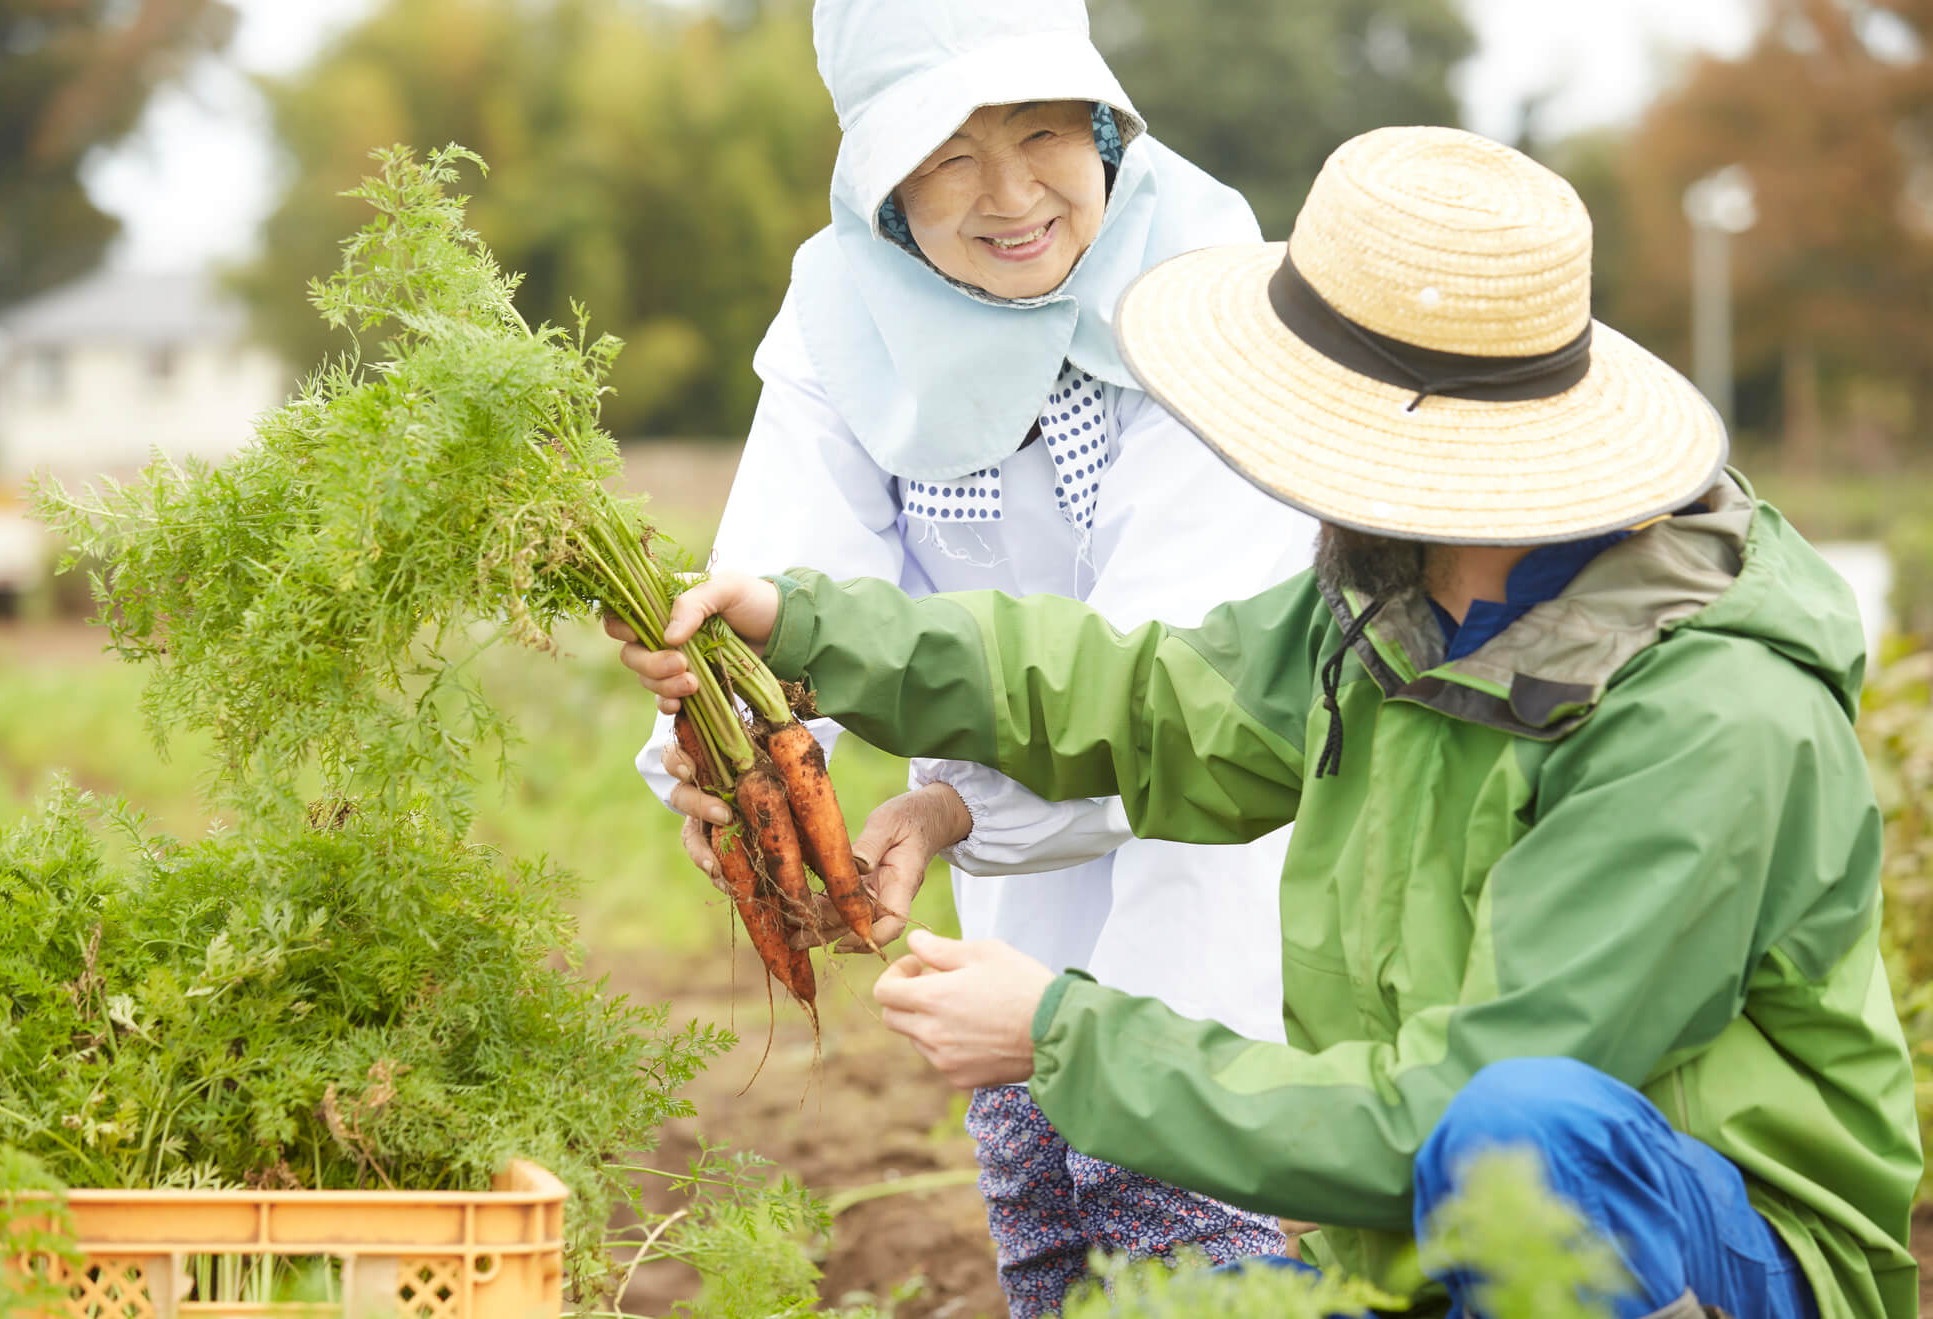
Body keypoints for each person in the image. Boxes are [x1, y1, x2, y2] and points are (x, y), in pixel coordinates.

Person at [615, 127, 1923, 1319]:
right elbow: (1143, 698)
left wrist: (1063, 1034)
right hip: (1440, 1231)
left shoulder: (1706, 717)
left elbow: (1455, 1105)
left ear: (1413, 441)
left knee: (1526, 1128)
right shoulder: (1398, 600)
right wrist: (813, 632)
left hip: (1721, 1250)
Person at [629, 0, 1313, 1308]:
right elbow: (789, 587)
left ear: (1109, 121)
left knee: (1202, 1208)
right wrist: (732, 780)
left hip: (1238, 842)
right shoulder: (848, 310)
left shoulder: (1218, 297)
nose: (1010, 198)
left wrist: (950, 806)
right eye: (946, 155)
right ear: (880, 184)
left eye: (1047, 132)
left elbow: (1178, 690)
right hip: (1021, 873)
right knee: (1049, 1202)